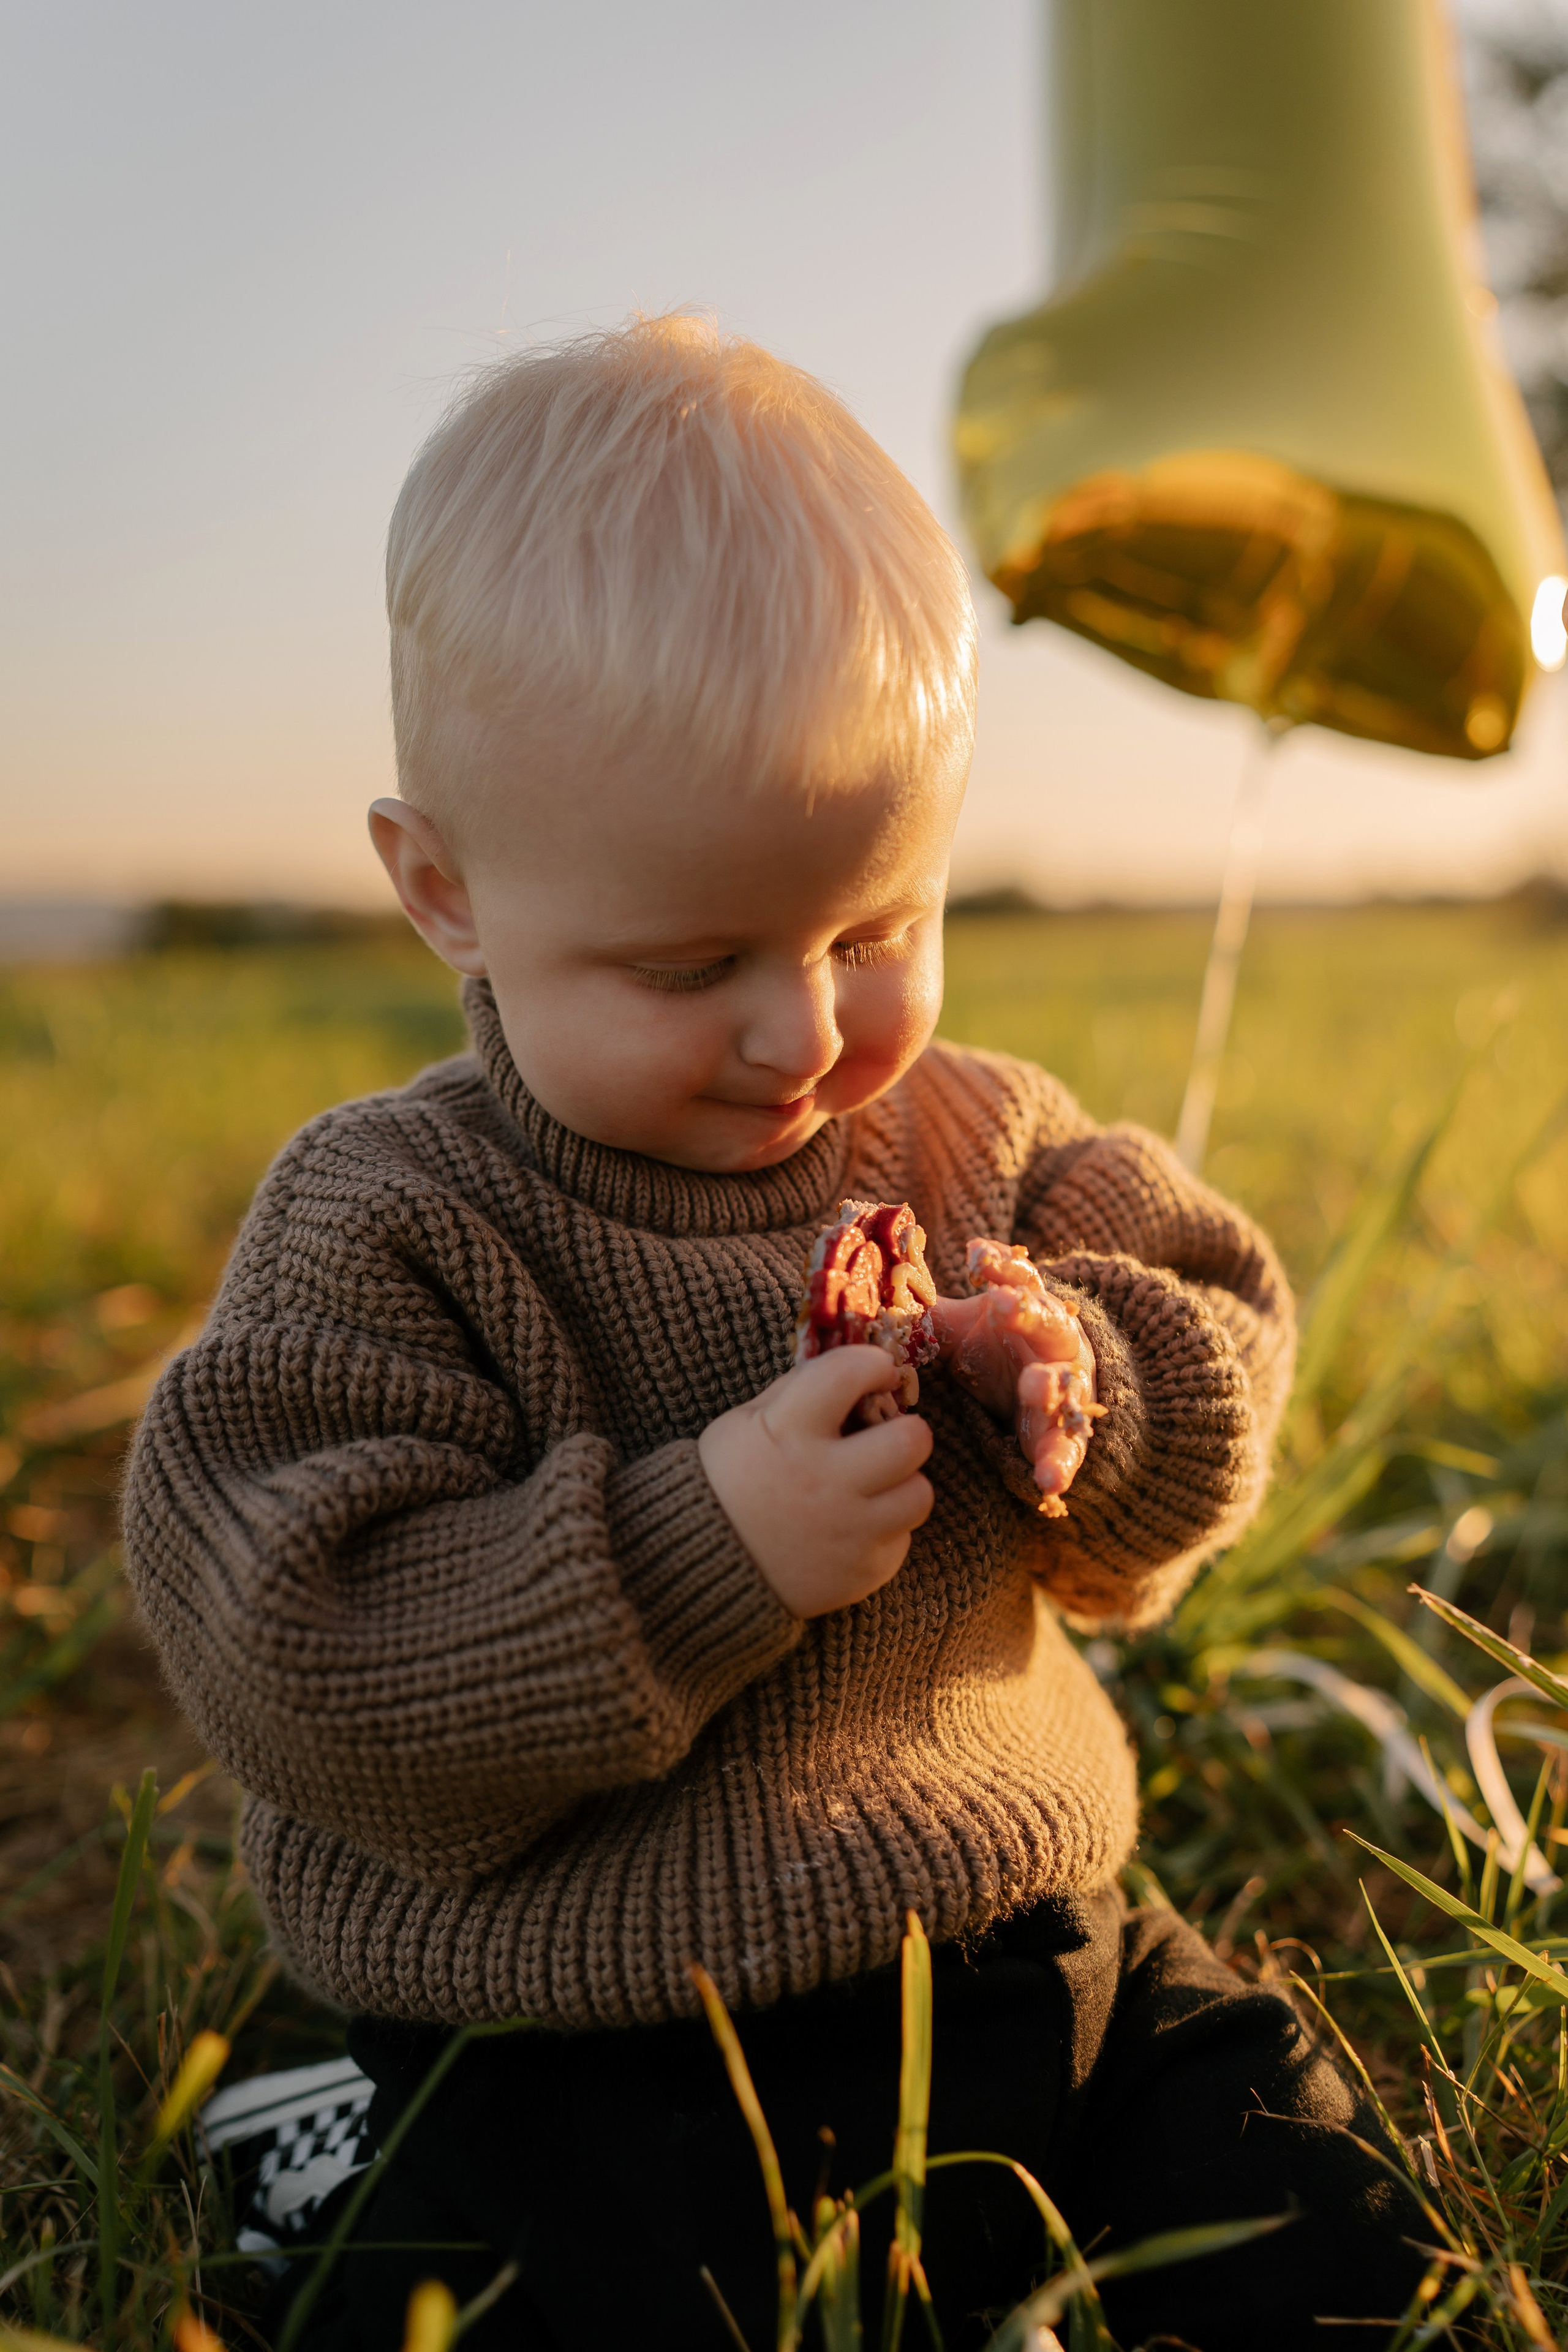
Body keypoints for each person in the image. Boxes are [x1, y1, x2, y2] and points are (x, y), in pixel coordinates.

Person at [124, 315, 1426, 2350]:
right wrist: (696, 1545)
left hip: (1028, 1937)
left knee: (1337, 2243)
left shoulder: (980, 1140)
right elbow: (300, 1651)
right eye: (694, 959)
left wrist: (1092, 1371)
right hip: (597, 2021)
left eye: (873, 927)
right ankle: (354, 2139)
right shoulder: (397, 1219)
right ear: (445, 889)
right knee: (604, 2307)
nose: (807, 1033)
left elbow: (1224, 1327)